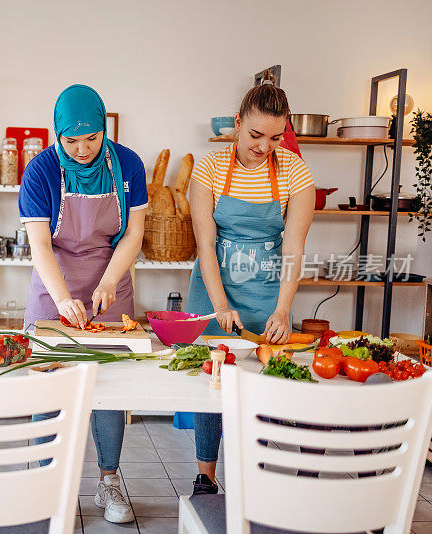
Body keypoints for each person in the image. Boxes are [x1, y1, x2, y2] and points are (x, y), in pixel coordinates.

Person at [18, 84, 147, 523]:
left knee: (107, 389)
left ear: (103, 128)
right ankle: (47, 488)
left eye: (91, 139)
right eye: (70, 140)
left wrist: (111, 279)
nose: (82, 149)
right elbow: (39, 243)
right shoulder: (39, 170)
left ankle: (108, 482)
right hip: (53, 283)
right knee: (47, 385)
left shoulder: (127, 163)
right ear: (56, 134)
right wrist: (61, 299)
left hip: (109, 281)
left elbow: (133, 234)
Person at [185, 83, 315, 495]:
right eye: (255, 135)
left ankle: (257, 477)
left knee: (266, 380)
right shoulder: (209, 167)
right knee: (214, 379)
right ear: (238, 124)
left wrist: (282, 310)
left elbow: (294, 247)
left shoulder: (294, 171)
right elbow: (205, 244)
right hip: (214, 286)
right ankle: (206, 476)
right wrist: (220, 306)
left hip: (267, 292)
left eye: (275, 137)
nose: (264, 147)